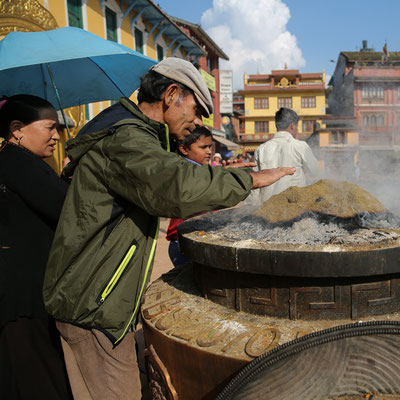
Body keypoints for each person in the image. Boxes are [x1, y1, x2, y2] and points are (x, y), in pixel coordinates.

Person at [42, 57, 294, 400]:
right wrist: (248, 179)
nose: (197, 121)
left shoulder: (137, 137)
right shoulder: (126, 140)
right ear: (171, 94)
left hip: (100, 298)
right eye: (195, 108)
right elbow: (175, 185)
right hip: (94, 305)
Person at [0, 95, 72, 399]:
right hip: (25, 297)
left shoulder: (14, 161)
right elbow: (66, 209)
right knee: (40, 380)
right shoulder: (19, 162)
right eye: (50, 128)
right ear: (17, 129)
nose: (56, 136)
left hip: (18, 293)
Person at [166, 126, 214, 267]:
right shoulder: (186, 172)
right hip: (183, 243)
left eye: (210, 147)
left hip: (191, 239)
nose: (209, 151)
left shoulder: (200, 170)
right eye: (203, 147)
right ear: (184, 149)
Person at [255, 107, 320, 202]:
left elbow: (254, 182)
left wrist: (252, 208)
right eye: (297, 127)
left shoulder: (261, 149)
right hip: (295, 208)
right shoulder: (300, 146)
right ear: (292, 125)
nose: (297, 130)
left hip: (268, 210)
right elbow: (314, 171)